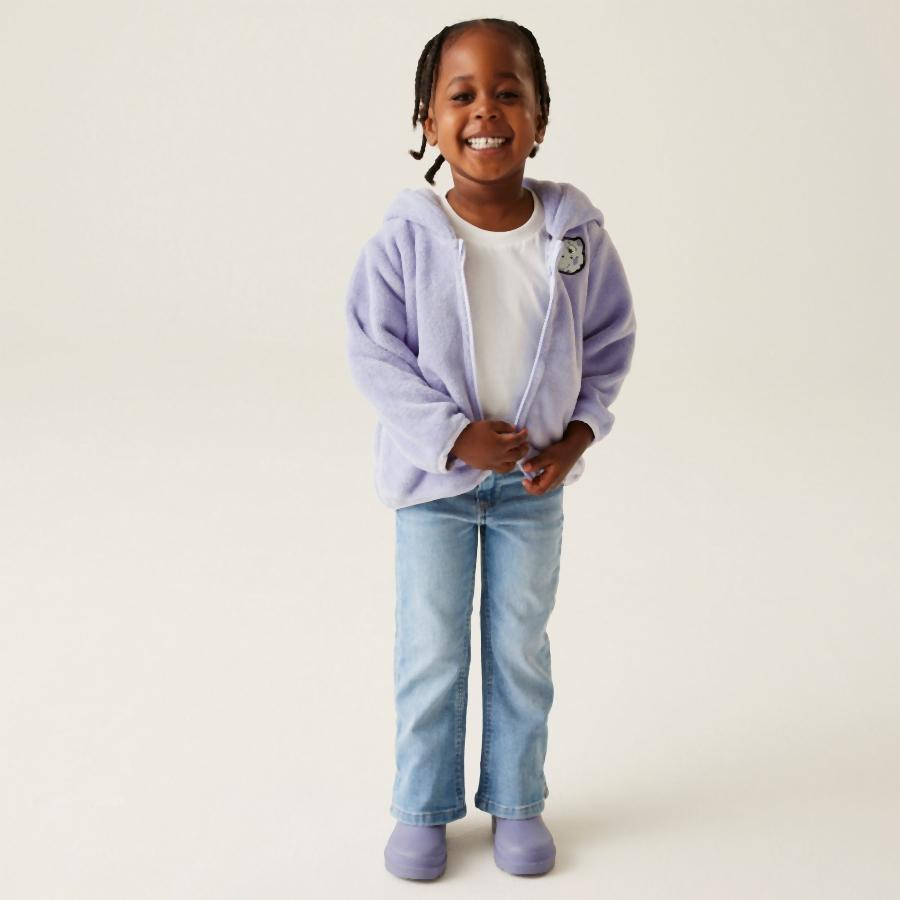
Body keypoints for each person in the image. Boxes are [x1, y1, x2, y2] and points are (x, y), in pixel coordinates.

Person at [344, 17, 636, 880]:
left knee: (519, 648)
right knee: (432, 651)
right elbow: (374, 354)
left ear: (539, 119)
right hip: (432, 489)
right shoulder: (404, 240)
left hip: (531, 491)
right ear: (428, 122)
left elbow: (610, 342)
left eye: (509, 93)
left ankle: (517, 801)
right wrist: (451, 434)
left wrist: (575, 438)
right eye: (462, 95)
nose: (486, 111)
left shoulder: (574, 237)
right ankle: (423, 808)